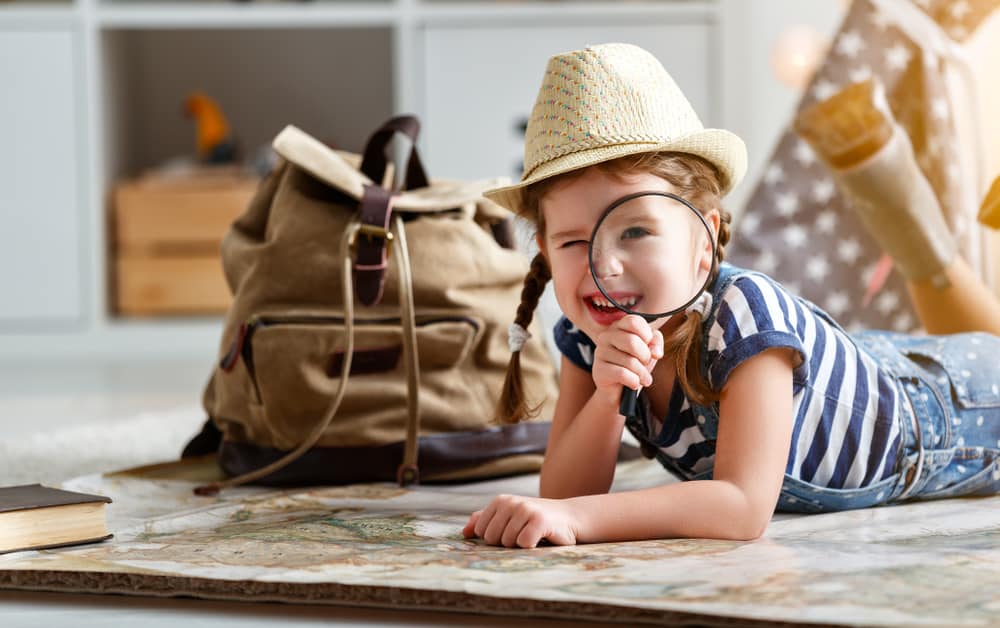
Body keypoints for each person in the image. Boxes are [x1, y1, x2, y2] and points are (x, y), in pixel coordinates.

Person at [461, 42, 1000, 549]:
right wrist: (608, 396)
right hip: (867, 364)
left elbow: (742, 508)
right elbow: (561, 498)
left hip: (953, 413)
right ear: (546, 255)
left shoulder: (743, 315)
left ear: (703, 241)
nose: (606, 265)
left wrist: (581, 520)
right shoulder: (585, 339)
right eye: (574, 242)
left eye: (634, 231)